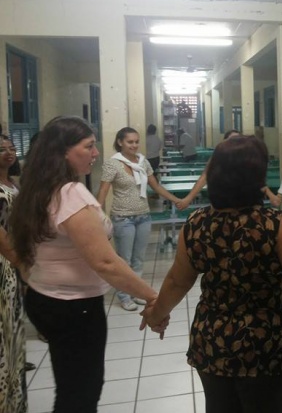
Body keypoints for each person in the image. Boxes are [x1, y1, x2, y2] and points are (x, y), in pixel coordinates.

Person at [8, 116, 159, 413]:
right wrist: (153, 297)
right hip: (74, 308)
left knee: (69, 386)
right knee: (80, 394)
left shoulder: (38, 188)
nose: (96, 153)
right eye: (88, 146)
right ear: (63, 151)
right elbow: (105, 262)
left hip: (44, 297)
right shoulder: (69, 193)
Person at [141, 135, 282, 413]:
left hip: (214, 342)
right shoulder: (279, 226)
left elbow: (178, 281)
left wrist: (156, 315)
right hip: (267, 345)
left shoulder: (197, 223)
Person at [97, 127, 183, 311]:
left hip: (144, 216)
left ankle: (136, 292)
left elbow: (156, 187)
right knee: (124, 260)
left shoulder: (143, 162)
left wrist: (175, 200)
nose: (134, 145)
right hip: (123, 218)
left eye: (136, 141)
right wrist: (97, 214)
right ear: (120, 142)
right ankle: (124, 296)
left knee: (138, 259)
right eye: (130, 142)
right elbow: (103, 191)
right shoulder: (113, 164)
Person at [178, 129, 277, 209]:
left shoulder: (248, 159)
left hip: (250, 202)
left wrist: (271, 195)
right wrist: (188, 199)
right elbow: (204, 177)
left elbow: (257, 179)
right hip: (226, 202)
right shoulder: (218, 157)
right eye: (232, 141)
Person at [0, 136, 26, 412]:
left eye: (11, 149)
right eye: (2, 150)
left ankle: (14, 394)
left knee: (14, 325)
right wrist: (21, 264)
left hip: (17, 258)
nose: (8, 153)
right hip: (4, 263)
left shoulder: (13, 183)